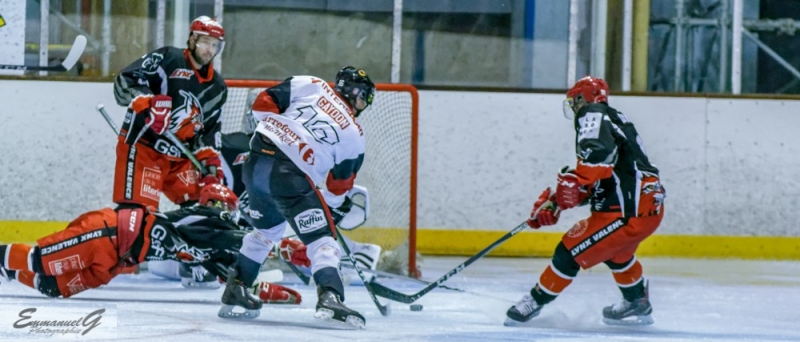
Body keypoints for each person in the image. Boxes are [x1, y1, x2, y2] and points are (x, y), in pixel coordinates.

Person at [217, 66, 375, 329]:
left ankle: (237, 287)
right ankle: (330, 296)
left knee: (266, 233)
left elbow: (262, 103)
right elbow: (339, 185)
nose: (363, 104)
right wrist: (332, 211)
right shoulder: (354, 133)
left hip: (255, 163)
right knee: (322, 239)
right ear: (355, 93)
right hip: (288, 177)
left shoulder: (311, 83)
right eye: (364, 97)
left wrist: (278, 132)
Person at [505, 76, 666, 326]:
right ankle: (636, 301)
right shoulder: (615, 118)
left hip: (626, 213)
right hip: (644, 209)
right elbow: (605, 175)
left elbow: (596, 163)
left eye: (574, 101)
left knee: (567, 253)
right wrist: (558, 201)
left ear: (582, 98)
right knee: (617, 254)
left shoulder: (592, 113)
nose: (574, 107)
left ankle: (533, 302)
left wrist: (570, 185)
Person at [0, 184, 303, 305]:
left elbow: (230, 273)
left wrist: (262, 289)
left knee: (54, 287)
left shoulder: (215, 246)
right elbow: (240, 241)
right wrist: (281, 246)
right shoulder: (206, 217)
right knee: (40, 260)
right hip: (108, 233)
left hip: (118, 261)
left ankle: (6, 272)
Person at [111, 15, 227, 218]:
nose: (209, 50)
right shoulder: (169, 59)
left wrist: (211, 168)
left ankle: (185, 250)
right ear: (192, 40)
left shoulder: (217, 88)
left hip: (180, 158)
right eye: (205, 42)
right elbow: (125, 80)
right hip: (145, 149)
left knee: (206, 208)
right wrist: (149, 103)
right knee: (135, 216)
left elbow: (208, 132)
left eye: (215, 45)